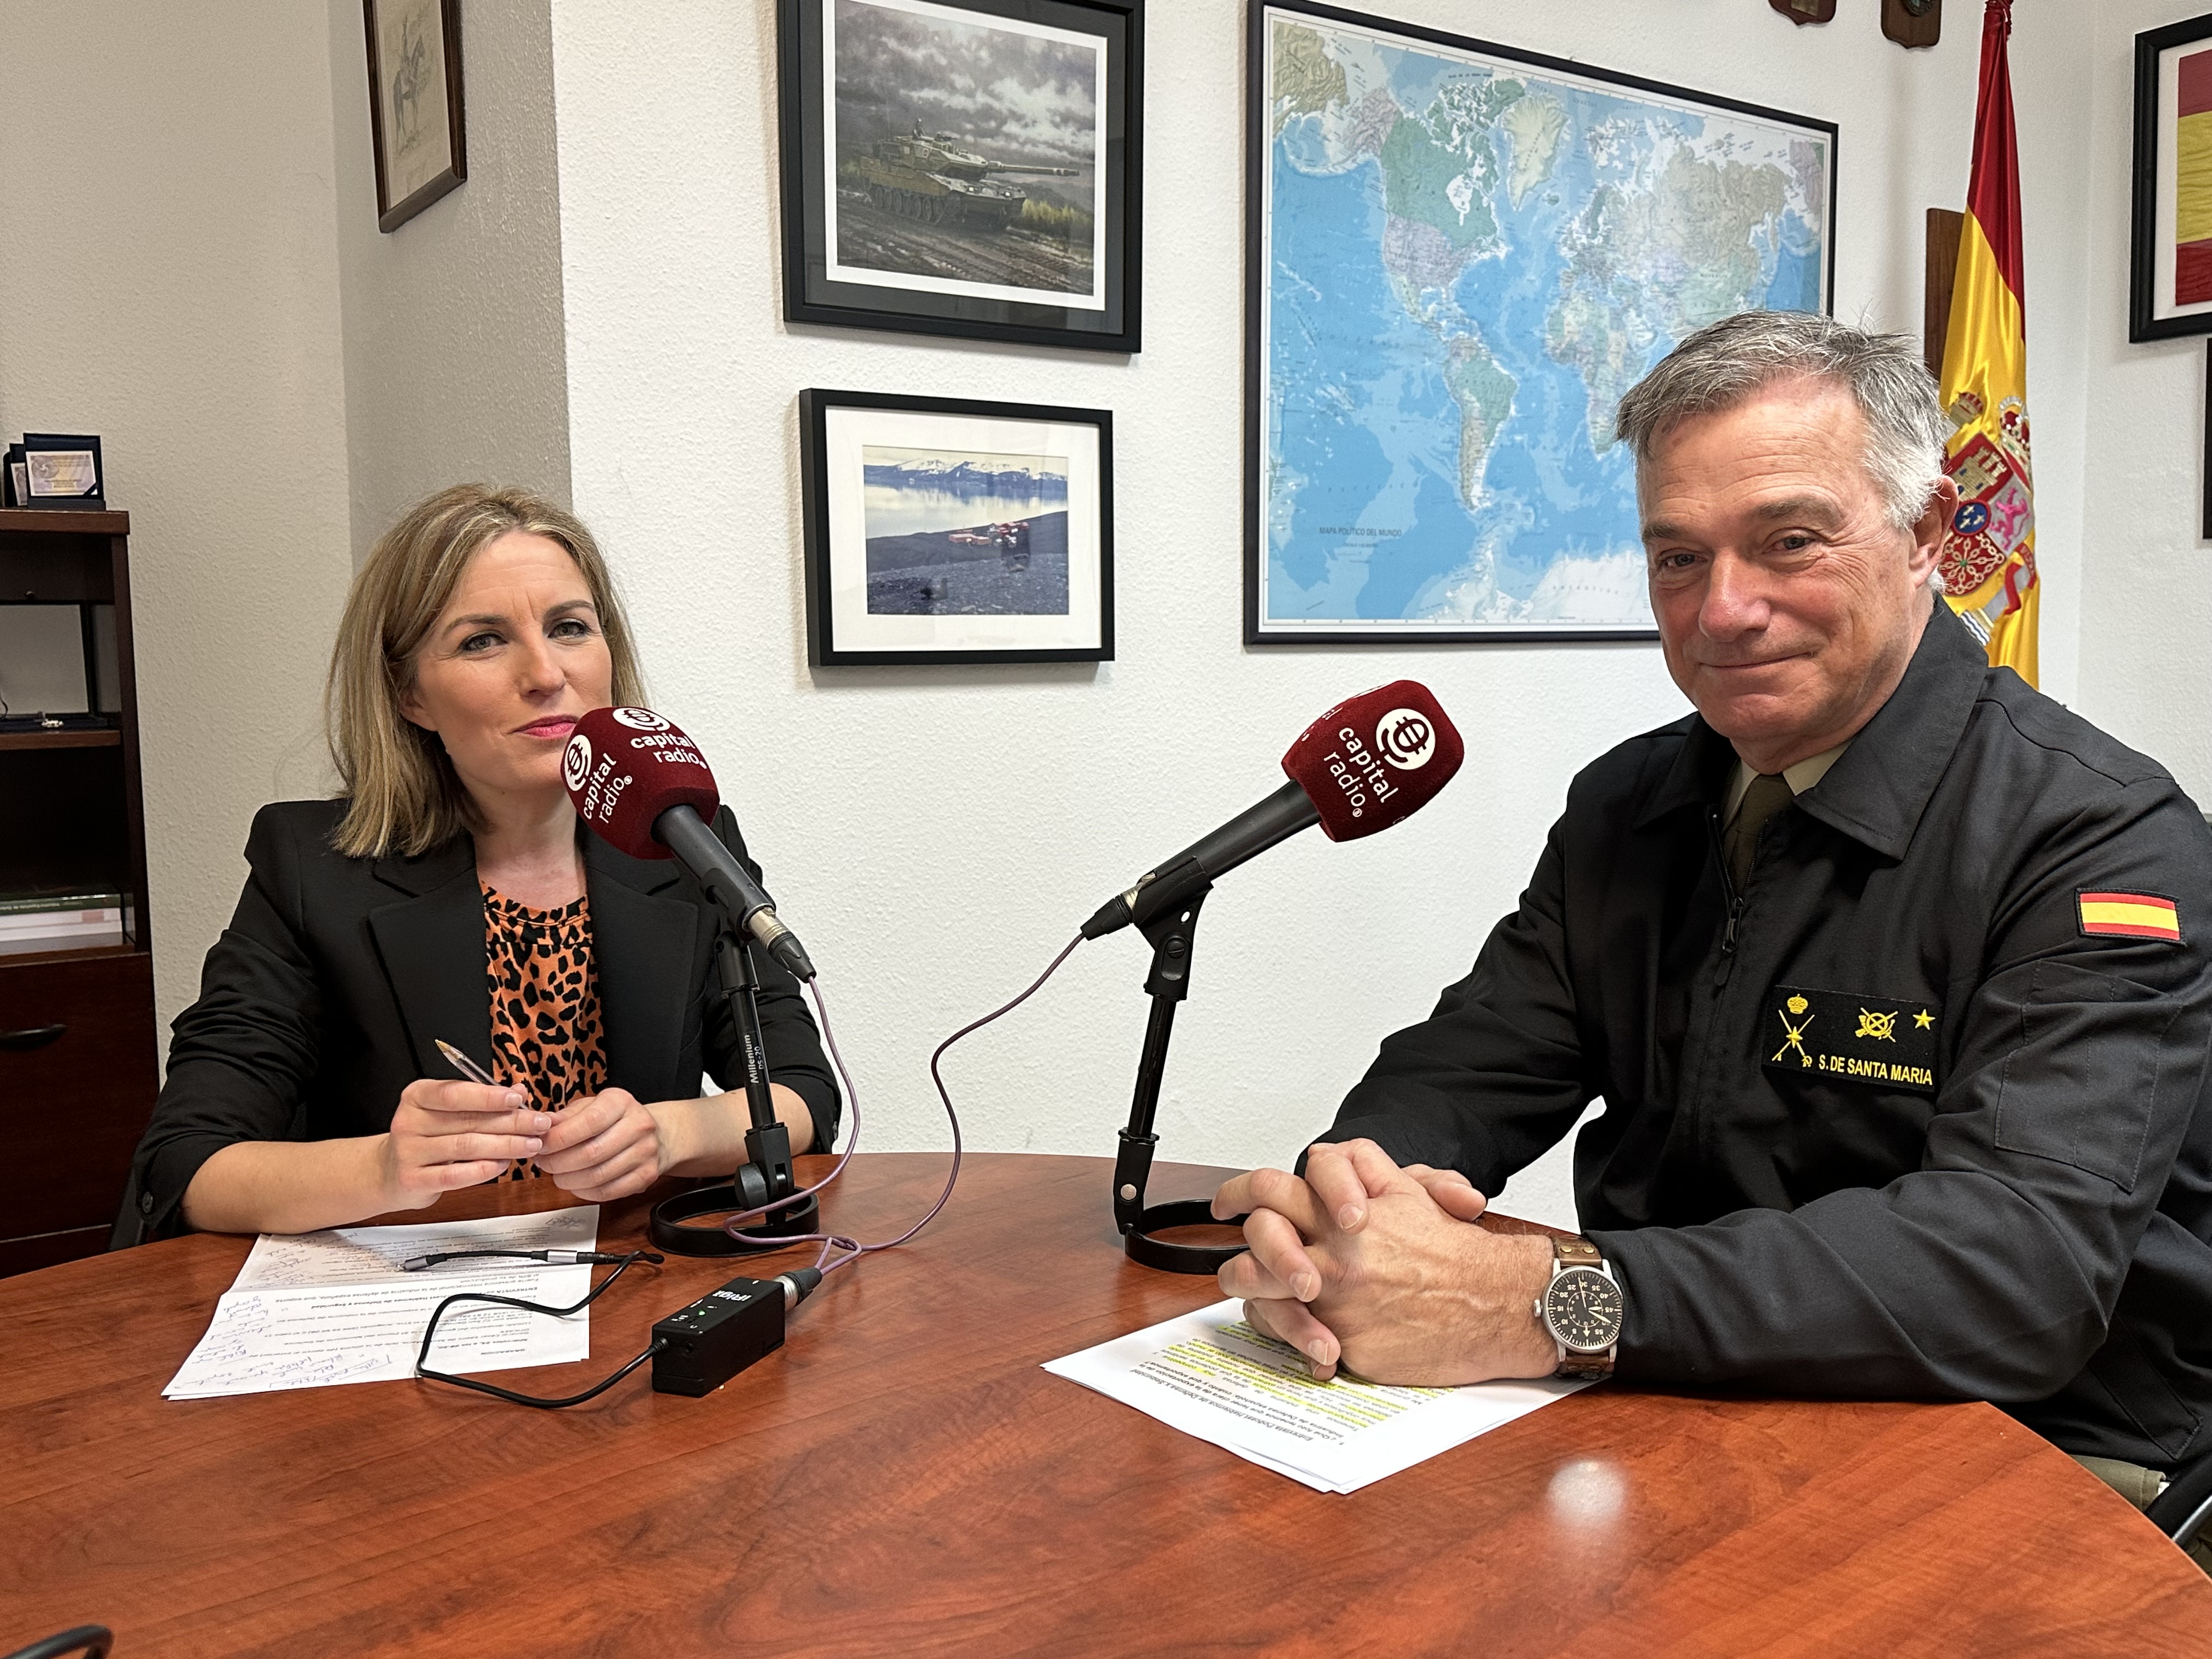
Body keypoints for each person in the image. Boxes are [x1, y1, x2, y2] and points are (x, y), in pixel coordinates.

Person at [1212, 311, 2212, 1561]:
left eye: (1788, 542)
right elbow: (1477, 1061)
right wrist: (1354, 1197)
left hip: (2028, 1444)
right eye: (1677, 558)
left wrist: (1539, 1302)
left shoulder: (2101, 842)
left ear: (1929, 534)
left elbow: (2016, 1273)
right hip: (1668, 1392)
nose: (1722, 610)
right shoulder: (1628, 804)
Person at [113, 484, 836, 1243]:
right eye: (482, 641)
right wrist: (387, 1168)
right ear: (410, 696)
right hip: (413, 1303)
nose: (546, 673)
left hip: (627, 1286)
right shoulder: (310, 869)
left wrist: (671, 1135)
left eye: (570, 628)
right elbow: (184, 1167)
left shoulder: (682, 837)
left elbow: (802, 1096)